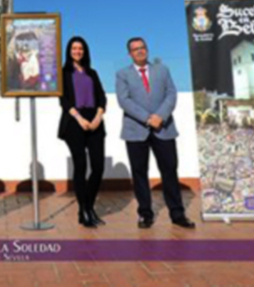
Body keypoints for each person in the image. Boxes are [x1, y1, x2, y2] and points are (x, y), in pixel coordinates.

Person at [115, 37, 196, 229]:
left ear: (147, 50)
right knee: (140, 173)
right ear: (130, 54)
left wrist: (160, 116)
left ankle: (177, 214)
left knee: (169, 171)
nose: (140, 51)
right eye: (135, 49)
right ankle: (145, 214)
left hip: (164, 128)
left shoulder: (162, 69)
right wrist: (147, 118)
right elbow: (124, 100)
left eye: (142, 48)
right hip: (136, 130)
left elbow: (171, 94)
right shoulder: (122, 74)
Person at [58, 36, 107, 228]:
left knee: (98, 167)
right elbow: (63, 100)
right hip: (73, 121)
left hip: (95, 121)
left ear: (84, 51)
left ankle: (89, 207)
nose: (77, 51)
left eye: (80, 48)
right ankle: (83, 210)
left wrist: (97, 118)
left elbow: (102, 97)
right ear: (69, 51)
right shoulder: (63, 73)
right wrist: (80, 119)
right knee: (80, 166)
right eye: (74, 48)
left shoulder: (92, 73)